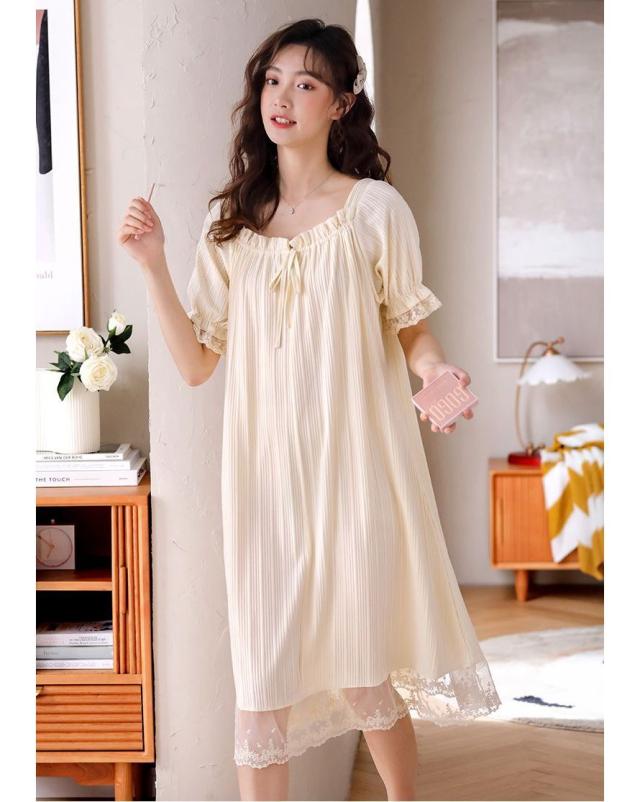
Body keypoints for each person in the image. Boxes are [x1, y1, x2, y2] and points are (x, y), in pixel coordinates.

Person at [118, 18, 501, 802]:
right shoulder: (229, 228)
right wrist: (153, 266)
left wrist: (436, 374)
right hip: (263, 485)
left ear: (341, 103)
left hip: (355, 472)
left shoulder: (374, 210)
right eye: (272, 80)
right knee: (261, 685)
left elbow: (413, 329)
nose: (282, 97)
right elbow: (195, 365)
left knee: (364, 676)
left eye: (306, 83)